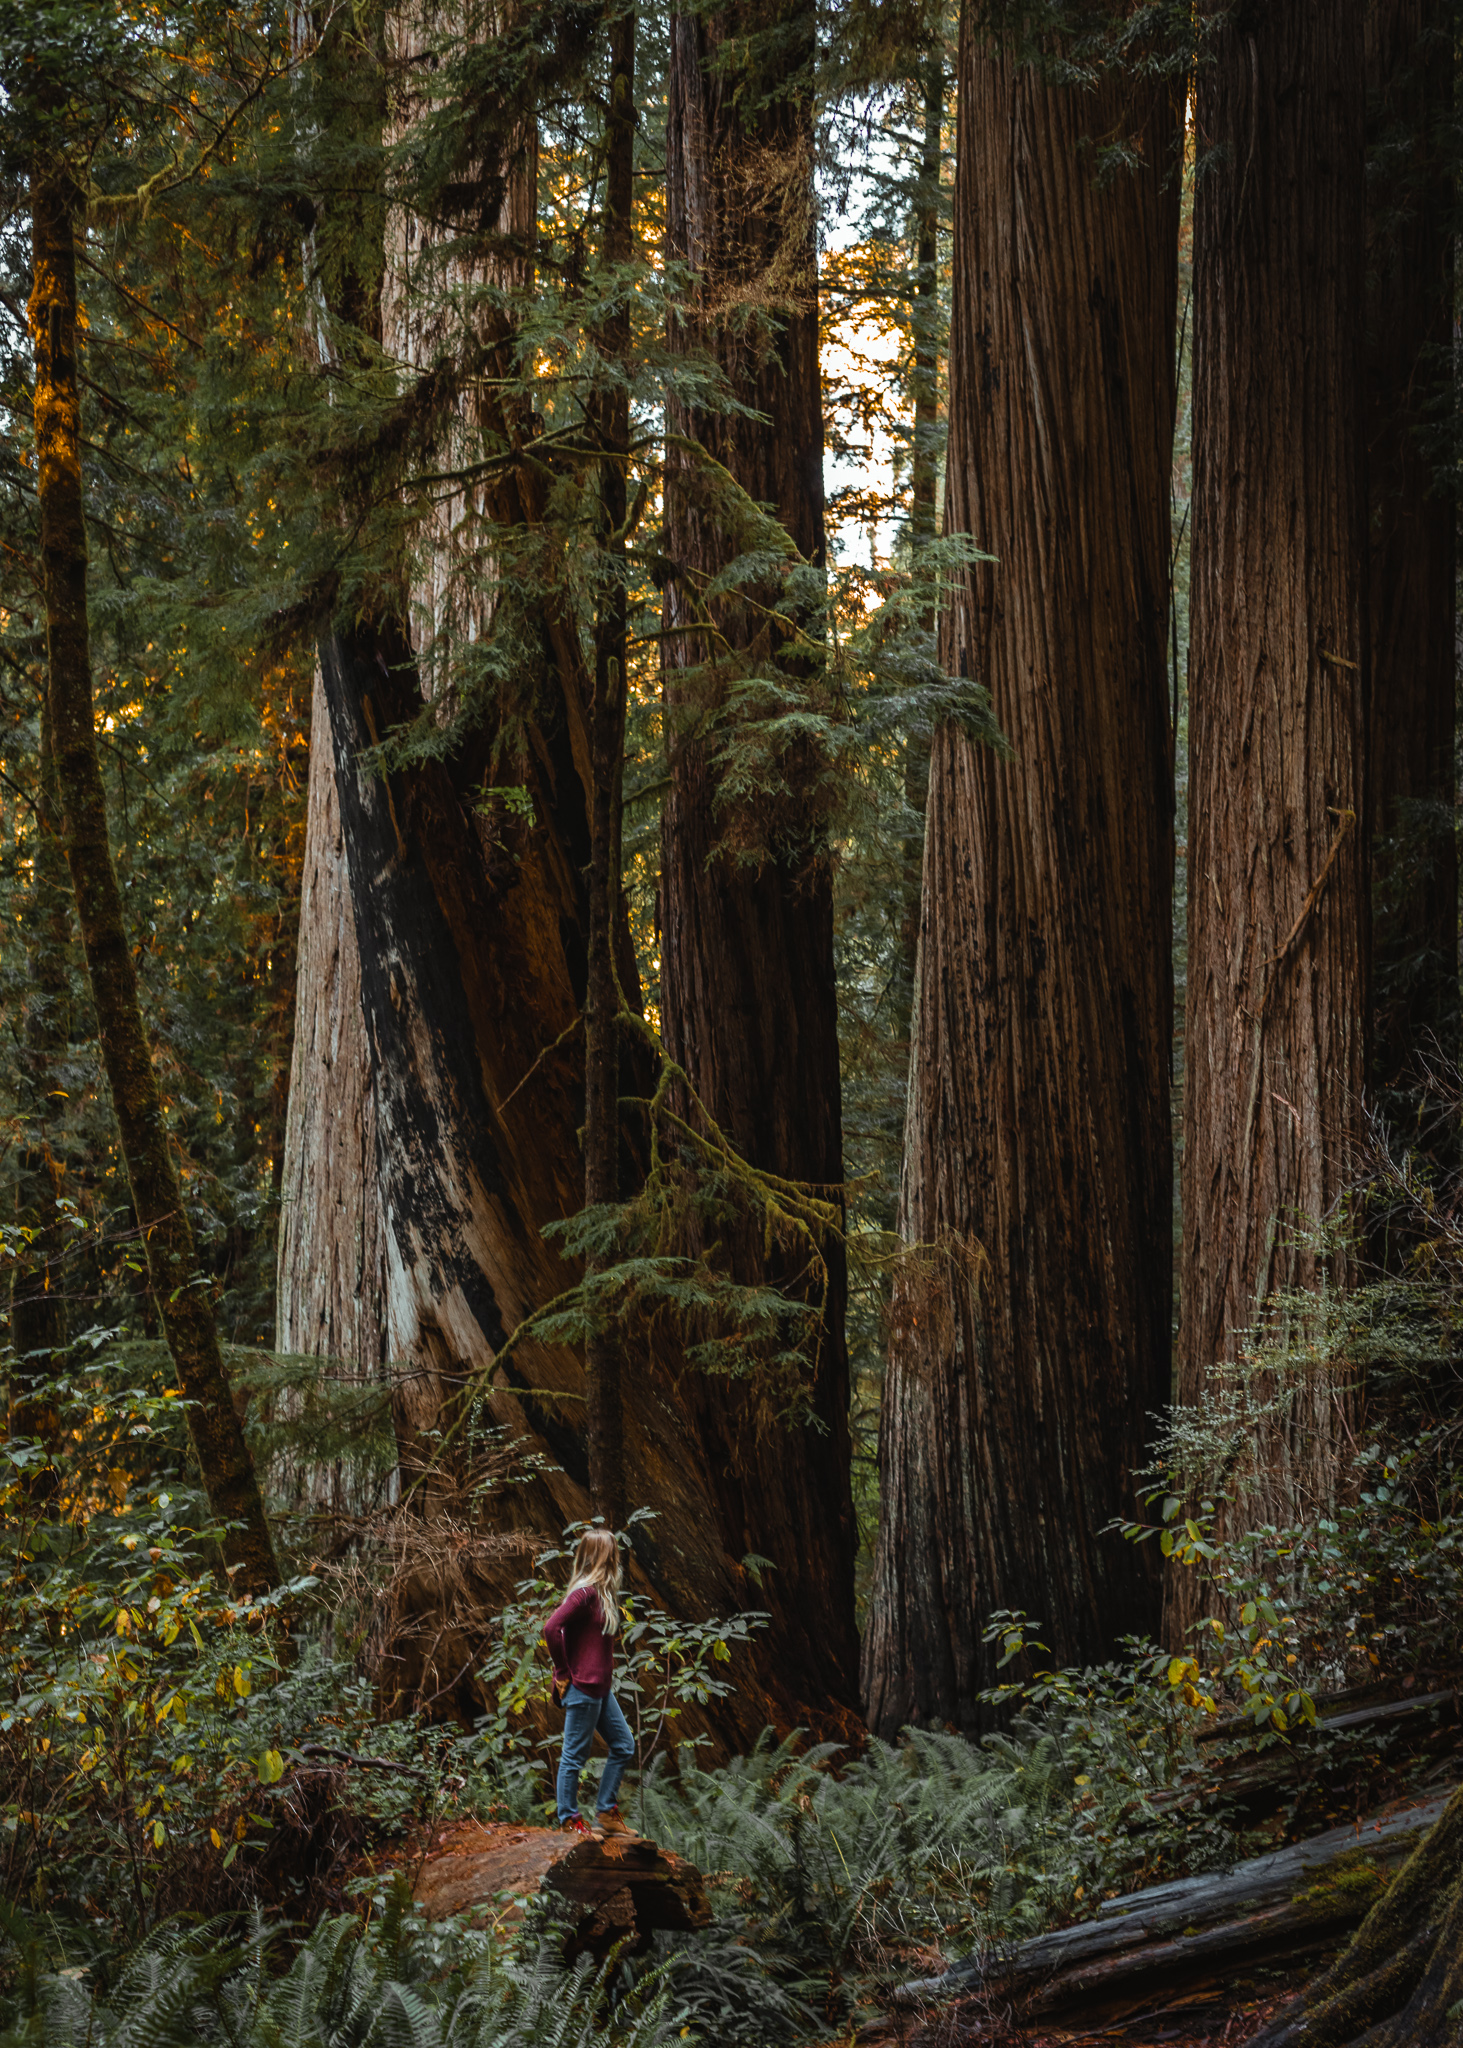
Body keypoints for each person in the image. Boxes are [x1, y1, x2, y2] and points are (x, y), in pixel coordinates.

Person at [543, 1527, 638, 1839]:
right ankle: (569, 1819)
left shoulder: (602, 1594)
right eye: (611, 1553)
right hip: (583, 1687)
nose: (615, 1558)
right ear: (600, 1557)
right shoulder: (585, 1594)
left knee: (624, 1745)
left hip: (600, 1689)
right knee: (574, 1756)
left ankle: (605, 1812)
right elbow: (551, 1627)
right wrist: (562, 1672)